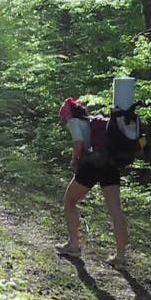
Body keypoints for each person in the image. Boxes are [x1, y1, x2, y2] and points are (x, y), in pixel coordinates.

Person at [56, 97, 129, 269]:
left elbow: (78, 142)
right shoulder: (93, 121)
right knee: (116, 210)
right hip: (110, 165)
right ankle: (121, 257)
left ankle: (73, 245)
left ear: (67, 113)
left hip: (91, 165)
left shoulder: (73, 122)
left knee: (69, 201)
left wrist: (75, 160)